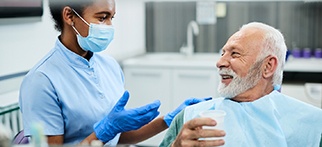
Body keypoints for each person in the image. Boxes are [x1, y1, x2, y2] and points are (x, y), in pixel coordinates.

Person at [18, 0, 211, 146]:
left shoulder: (109, 66)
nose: (109, 26)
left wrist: (168, 120)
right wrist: (103, 131)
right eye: (102, 18)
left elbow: (117, 137)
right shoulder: (41, 80)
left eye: (112, 17)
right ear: (69, 16)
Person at [160, 22, 322, 147]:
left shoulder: (313, 125)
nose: (220, 62)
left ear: (268, 66)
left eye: (235, 54)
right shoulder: (190, 120)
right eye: (223, 53)